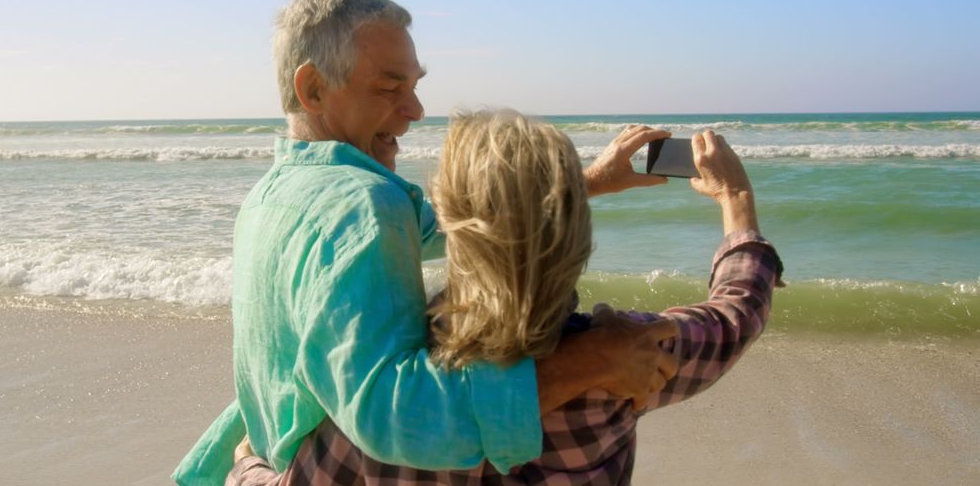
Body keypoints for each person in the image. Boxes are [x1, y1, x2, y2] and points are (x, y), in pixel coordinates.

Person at [173, 0, 681, 486]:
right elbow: (399, 417)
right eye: (390, 88)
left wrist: (584, 181)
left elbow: (454, 225)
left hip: (274, 461)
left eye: (414, 86)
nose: (415, 109)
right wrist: (589, 360)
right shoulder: (364, 203)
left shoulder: (271, 195)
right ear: (313, 90)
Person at [226, 110, 784, 485]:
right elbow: (735, 312)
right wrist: (735, 199)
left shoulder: (383, 385)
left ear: (447, 221)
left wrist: (248, 466)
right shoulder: (627, 361)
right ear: (576, 232)